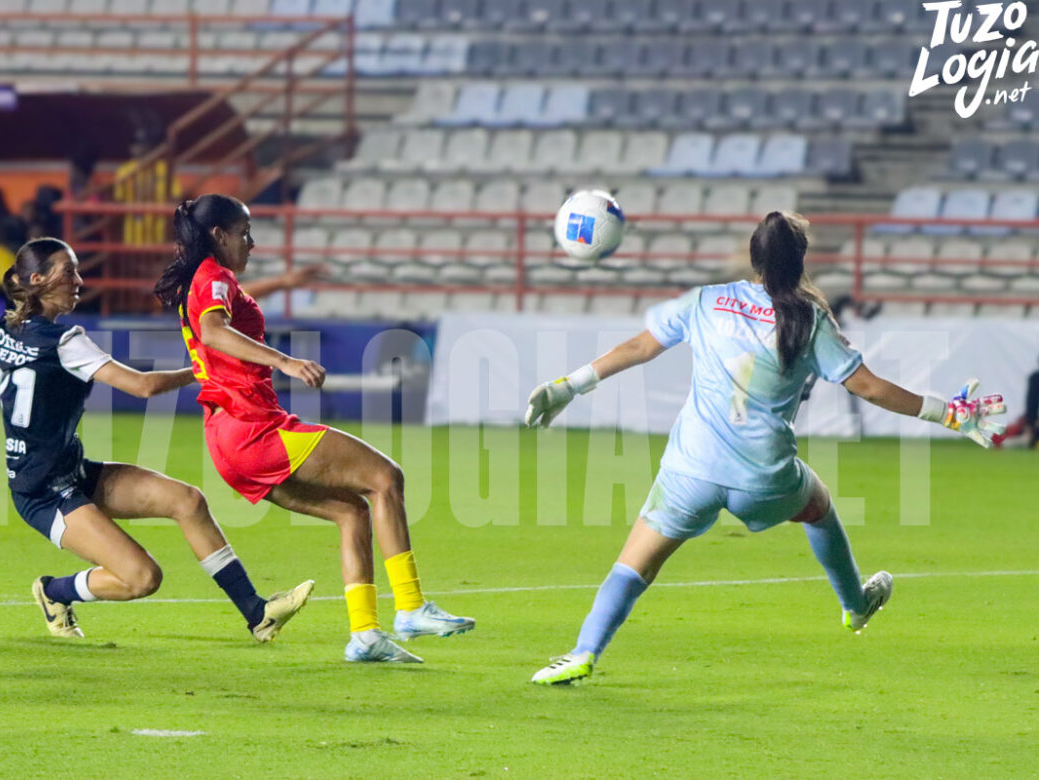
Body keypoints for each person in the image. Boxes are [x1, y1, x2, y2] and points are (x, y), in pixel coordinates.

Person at [525, 211, 1006, 686]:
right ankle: (854, 606)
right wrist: (950, 413)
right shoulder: (809, 319)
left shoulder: (707, 301)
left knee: (634, 566)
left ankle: (583, 652)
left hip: (692, 469)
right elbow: (868, 388)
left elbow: (638, 347)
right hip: (765, 476)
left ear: (753, 258)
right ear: (800, 262)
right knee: (817, 506)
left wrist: (569, 386)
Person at [0, 237, 313, 643]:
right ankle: (53, 592)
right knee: (142, 578)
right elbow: (143, 387)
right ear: (37, 279)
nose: (79, 280)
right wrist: (204, 368)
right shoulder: (66, 343)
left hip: (71, 472)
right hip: (43, 494)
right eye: (68, 272)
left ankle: (256, 612)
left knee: (188, 501)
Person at [154, 194, 475, 664]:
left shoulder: (202, 278)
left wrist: (283, 282)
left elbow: (224, 312)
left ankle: (365, 635)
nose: (252, 241)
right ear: (217, 235)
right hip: (253, 429)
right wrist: (285, 360)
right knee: (386, 478)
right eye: (243, 232)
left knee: (352, 513)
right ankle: (410, 607)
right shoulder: (213, 276)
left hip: (227, 441)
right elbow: (215, 331)